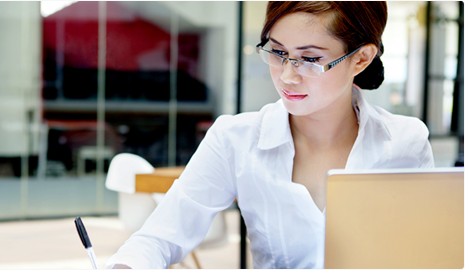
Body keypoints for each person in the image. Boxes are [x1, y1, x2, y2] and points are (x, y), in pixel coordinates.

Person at [105, 1, 434, 268]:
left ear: (360, 59)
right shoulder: (235, 138)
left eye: (310, 59)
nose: (288, 77)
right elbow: (161, 236)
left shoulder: (405, 142)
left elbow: (428, 253)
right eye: (277, 53)